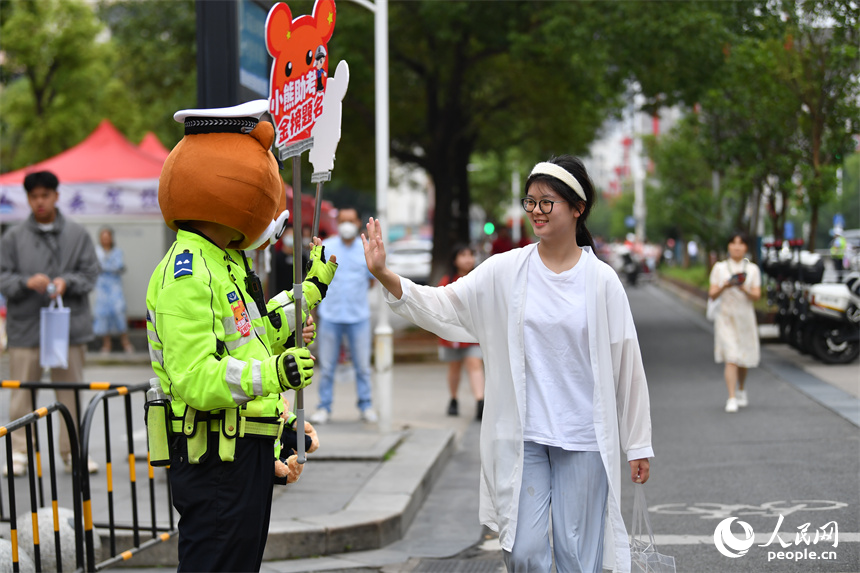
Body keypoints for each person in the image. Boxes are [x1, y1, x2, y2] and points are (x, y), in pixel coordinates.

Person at [363, 155, 653, 573]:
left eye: (546, 202)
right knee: (523, 550)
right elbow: (446, 305)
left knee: (577, 555)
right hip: (525, 436)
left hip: (583, 437)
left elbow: (627, 362)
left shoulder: (601, 280)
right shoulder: (507, 271)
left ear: (578, 207)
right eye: (530, 201)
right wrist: (387, 275)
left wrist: (638, 442)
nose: (535, 210)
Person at [146, 100, 337, 572]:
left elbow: (256, 333)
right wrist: (277, 372)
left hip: (241, 453)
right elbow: (195, 379)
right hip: (215, 462)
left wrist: (309, 291)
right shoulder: (188, 273)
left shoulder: (225, 261)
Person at [0, 170, 101, 476]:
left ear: (56, 196)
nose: (40, 201)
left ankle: (72, 452)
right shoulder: (13, 237)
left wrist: (66, 282)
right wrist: (25, 282)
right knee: (21, 392)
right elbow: (3, 278)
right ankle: (19, 451)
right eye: (34, 196)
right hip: (26, 326)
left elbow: (90, 274)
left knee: (69, 391)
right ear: (28, 199)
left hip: (67, 329)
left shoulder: (77, 234)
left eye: (45, 195)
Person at [310, 207, 377, 424]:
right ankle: (324, 407)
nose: (347, 224)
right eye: (343, 220)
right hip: (330, 316)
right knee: (327, 366)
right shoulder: (328, 246)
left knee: (363, 366)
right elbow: (316, 280)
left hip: (358, 316)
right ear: (338, 223)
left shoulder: (364, 249)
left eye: (351, 220)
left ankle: (366, 406)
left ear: (358, 223)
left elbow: (371, 280)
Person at [708, 232, 762, 413]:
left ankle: (741, 389)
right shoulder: (719, 268)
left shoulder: (752, 269)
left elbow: (757, 295)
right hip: (725, 318)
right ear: (728, 246)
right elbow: (712, 293)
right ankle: (731, 397)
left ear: (746, 247)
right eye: (733, 243)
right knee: (731, 357)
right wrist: (725, 285)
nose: (737, 247)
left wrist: (743, 288)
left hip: (745, 318)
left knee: (743, 359)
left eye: (741, 244)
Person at [437, 244, 485, 420]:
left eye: (470, 255)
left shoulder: (480, 278)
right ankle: (453, 399)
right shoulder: (446, 281)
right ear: (455, 260)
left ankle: (480, 401)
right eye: (463, 255)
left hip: (474, 333)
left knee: (474, 363)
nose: (467, 259)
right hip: (452, 334)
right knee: (454, 367)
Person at [93, 227, 134, 354]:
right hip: (102, 287)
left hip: (115, 287)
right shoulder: (96, 252)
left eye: (107, 237)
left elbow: (119, 266)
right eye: (103, 237)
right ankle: (107, 344)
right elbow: (94, 267)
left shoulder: (117, 252)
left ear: (111, 238)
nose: (105, 239)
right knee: (103, 314)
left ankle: (125, 342)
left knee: (119, 311)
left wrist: (105, 267)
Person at [270, 226, 309, 298]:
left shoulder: (302, 259)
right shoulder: (276, 258)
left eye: (293, 235)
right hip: (277, 297)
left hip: (297, 297)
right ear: (283, 236)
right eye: (288, 234)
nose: (290, 237)